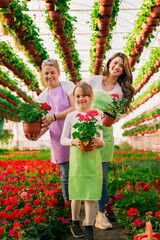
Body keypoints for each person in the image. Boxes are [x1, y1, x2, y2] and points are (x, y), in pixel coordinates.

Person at [85, 52, 135, 229]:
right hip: (86, 131)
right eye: (115, 63)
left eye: (121, 66)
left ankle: (100, 216)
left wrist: (114, 117)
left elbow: (117, 115)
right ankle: (103, 207)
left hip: (105, 134)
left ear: (123, 70)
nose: (117, 67)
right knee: (91, 176)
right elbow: (80, 99)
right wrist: (93, 111)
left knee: (102, 176)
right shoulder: (93, 81)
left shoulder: (121, 91)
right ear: (109, 63)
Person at [27, 59, 75, 201]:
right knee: (65, 175)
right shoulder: (42, 96)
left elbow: (74, 108)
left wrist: (54, 117)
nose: (49, 76)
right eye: (46, 73)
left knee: (79, 172)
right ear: (42, 75)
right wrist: (36, 135)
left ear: (59, 73)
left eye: (52, 72)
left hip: (74, 134)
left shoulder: (68, 86)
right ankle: (70, 207)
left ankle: (81, 202)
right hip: (58, 139)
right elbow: (44, 123)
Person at [60, 82, 104, 240]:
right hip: (78, 160)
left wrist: (100, 142)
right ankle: (75, 222)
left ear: (91, 97)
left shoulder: (96, 116)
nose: (81, 99)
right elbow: (63, 139)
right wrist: (74, 141)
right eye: (78, 96)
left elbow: (101, 139)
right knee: (77, 192)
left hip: (92, 159)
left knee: (91, 193)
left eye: (84, 95)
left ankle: (89, 225)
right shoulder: (71, 116)